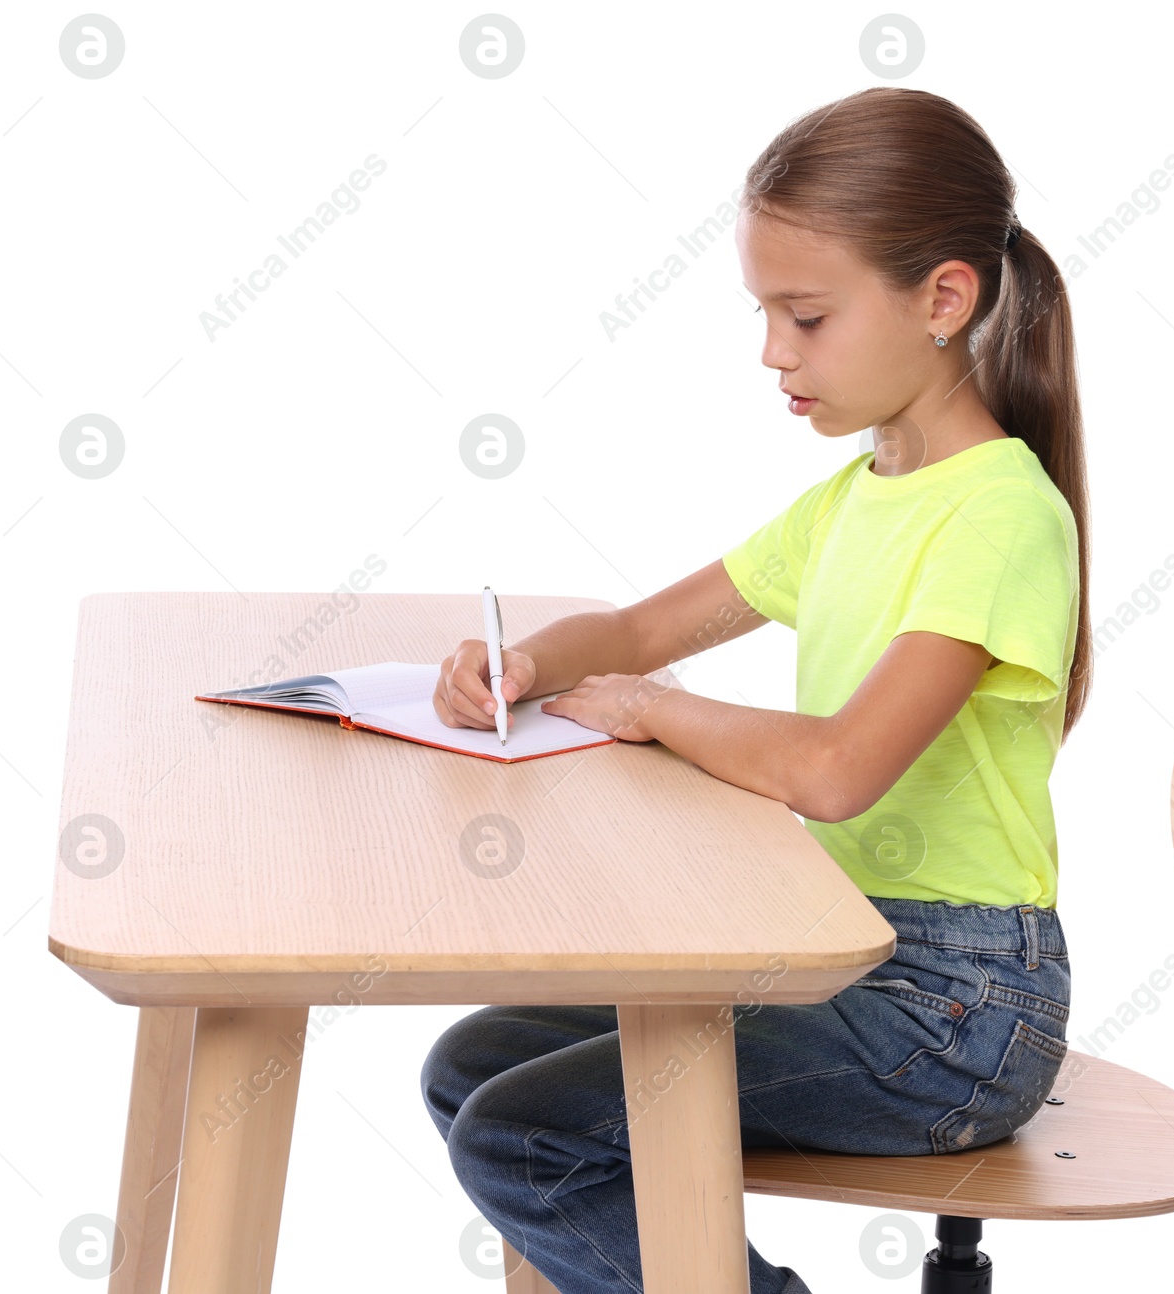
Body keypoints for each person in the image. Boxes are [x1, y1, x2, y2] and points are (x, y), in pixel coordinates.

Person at [421, 84, 1093, 1294]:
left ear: (944, 299)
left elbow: (836, 769)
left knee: (525, 1135)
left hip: (953, 1012)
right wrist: (528, 665)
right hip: (846, 957)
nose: (773, 353)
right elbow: (638, 626)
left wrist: (653, 709)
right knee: (475, 1070)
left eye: (807, 316)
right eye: (765, 314)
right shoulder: (859, 494)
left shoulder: (998, 518)